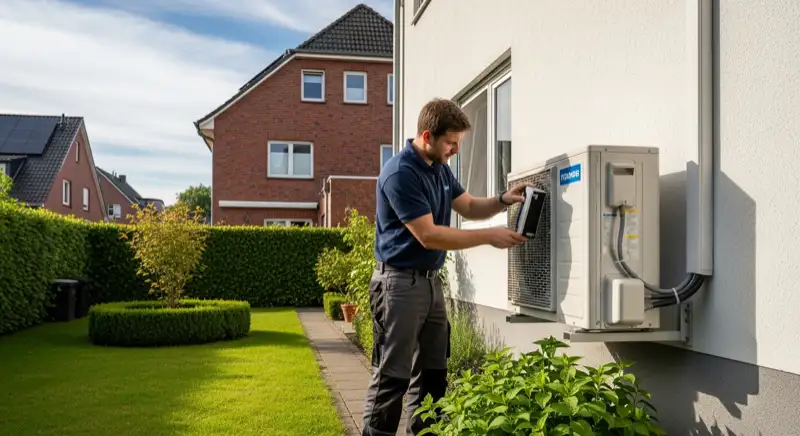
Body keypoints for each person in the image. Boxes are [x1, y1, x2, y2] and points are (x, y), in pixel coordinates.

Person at [362, 98, 530, 436]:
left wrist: (501, 200)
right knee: (392, 378)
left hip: (429, 284)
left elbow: (467, 205)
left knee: (433, 375)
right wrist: (489, 237)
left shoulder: (439, 168)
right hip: (397, 285)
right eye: (451, 142)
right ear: (428, 135)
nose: (455, 149)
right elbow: (428, 235)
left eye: (458, 143)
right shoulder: (401, 173)